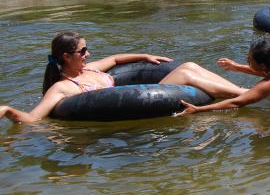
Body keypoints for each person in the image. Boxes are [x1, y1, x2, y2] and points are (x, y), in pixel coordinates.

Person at [0, 32, 247, 124]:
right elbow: (33, 118)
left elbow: (117, 59)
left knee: (190, 65)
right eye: (83, 51)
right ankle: (247, 95)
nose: (89, 54)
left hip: (149, 90)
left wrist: (146, 56)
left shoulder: (92, 69)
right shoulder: (63, 88)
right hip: (144, 98)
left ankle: (242, 91)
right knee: (185, 71)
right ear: (66, 56)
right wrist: (9, 110)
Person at [177, 37, 270, 115]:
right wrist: (237, 67)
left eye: (249, 60)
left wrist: (198, 110)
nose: (247, 61)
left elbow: (236, 103)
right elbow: (266, 71)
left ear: (263, 64)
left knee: (259, 128)